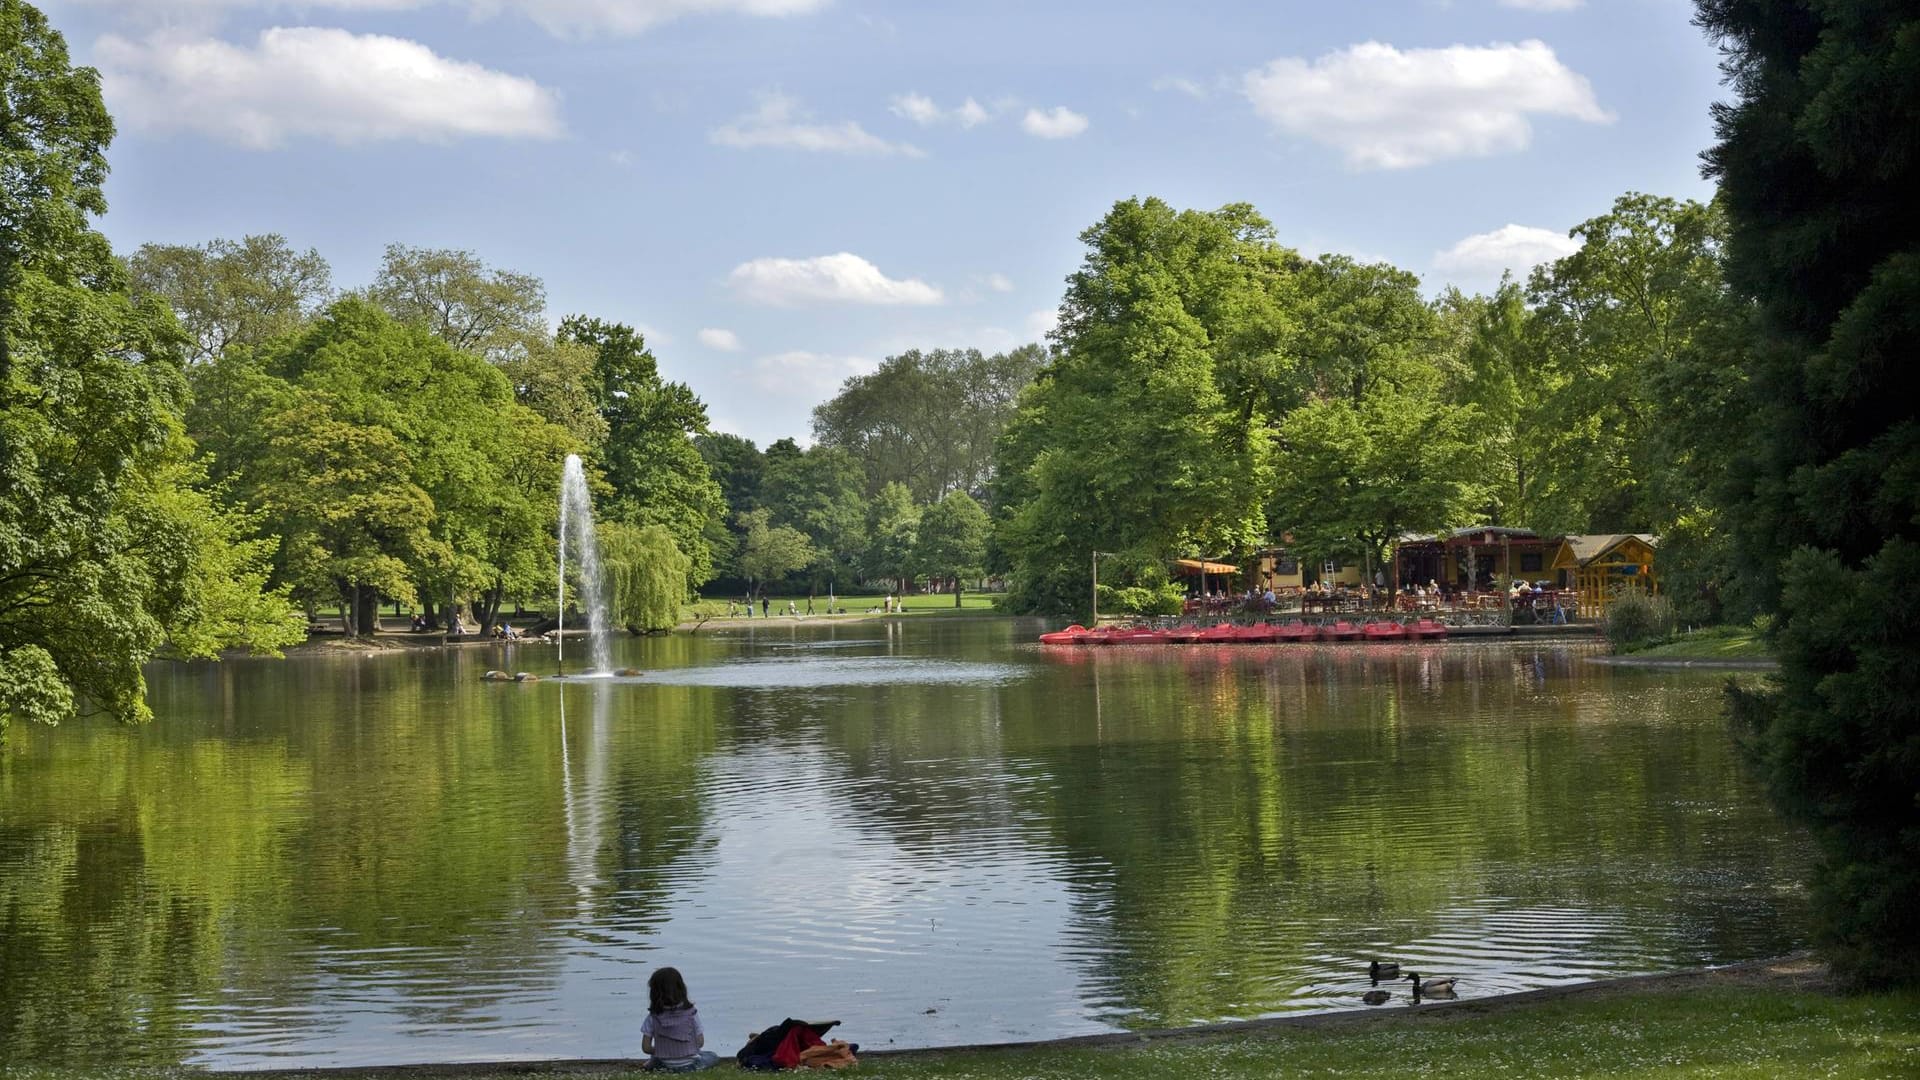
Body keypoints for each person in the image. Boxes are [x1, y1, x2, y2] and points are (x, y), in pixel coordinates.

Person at [641, 966, 718, 1072]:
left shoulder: (652, 1017)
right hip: (691, 1065)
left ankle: (651, 1064)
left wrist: (664, 1051)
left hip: (664, 1065)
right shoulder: (691, 1014)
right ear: (682, 988)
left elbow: (646, 1048)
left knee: (655, 1058)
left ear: (653, 993)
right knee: (712, 1056)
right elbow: (700, 1042)